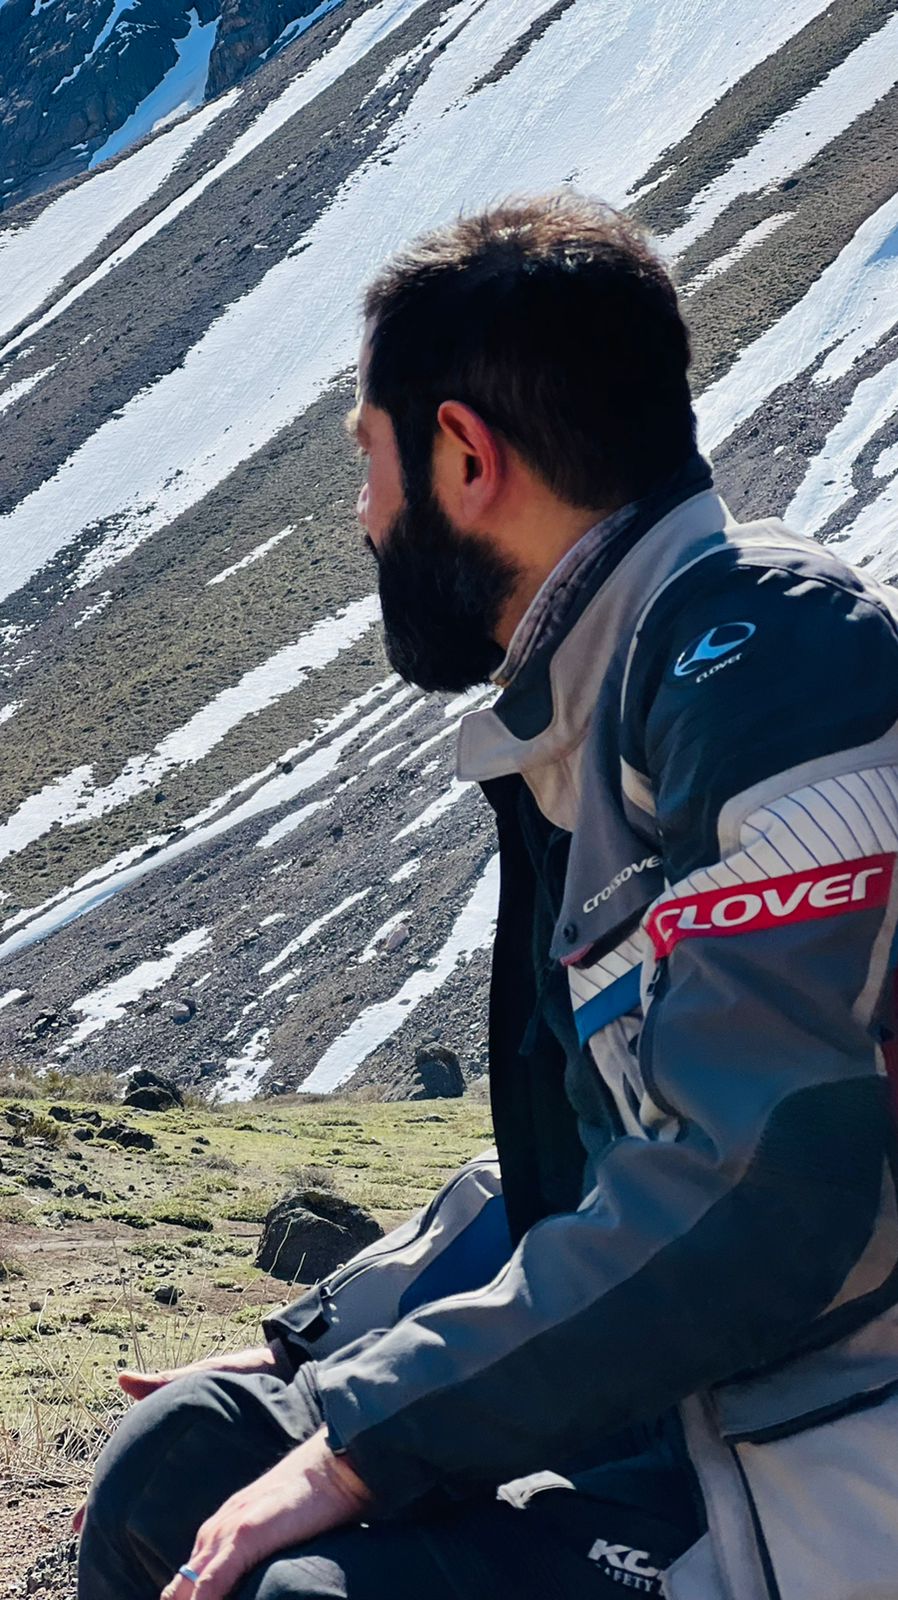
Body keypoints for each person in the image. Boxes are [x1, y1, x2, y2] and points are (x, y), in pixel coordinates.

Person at [78, 194, 898, 1600]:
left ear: (464, 456)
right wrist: (325, 1350)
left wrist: (369, 1438)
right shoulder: (601, 698)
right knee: (182, 1460)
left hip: (808, 1458)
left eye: (369, 460)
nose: (364, 515)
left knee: (303, 1597)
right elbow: (589, 1160)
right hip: (681, 1399)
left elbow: (765, 1185)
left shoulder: (770, 669)